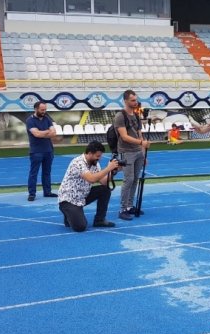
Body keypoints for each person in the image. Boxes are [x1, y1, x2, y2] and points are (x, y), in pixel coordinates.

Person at [58, 141, 119, 232]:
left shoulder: (94, 163)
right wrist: (108, 168)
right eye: (98, 156)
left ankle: (99, 220)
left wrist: (114, 171)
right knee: (80, 227)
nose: (99, 158)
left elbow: (103, 182)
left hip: (82, 196)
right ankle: (68, 213)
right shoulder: (78, 163)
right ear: (90, 153)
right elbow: (91, 179)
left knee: (105, 189)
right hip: (68, 199)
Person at [114, 90, 149, 220]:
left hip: (138, 152)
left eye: (136, 100)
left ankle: (129, 206)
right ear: (125, 101)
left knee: (134, 179)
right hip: (126, 152)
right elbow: (124, 137)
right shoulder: (120, 116)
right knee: (128, 180)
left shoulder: (136, 115)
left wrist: (144, 154)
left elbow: (140, 134)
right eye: (133, 100)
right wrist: (142, 143)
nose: (135, 102)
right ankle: (122, 209)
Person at [26, 101, 58, 201]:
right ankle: (32, 193)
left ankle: (47, 191)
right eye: (42, 110)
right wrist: (47, 132)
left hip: (48, 150)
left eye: (45, 110)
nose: (44, 111)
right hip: (36, 151)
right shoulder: (30, 120)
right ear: (36, 109)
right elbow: (37, 134)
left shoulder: (47, 118)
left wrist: (43, 133)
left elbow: (54, 133)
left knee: (47, 172)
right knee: (33, 173)